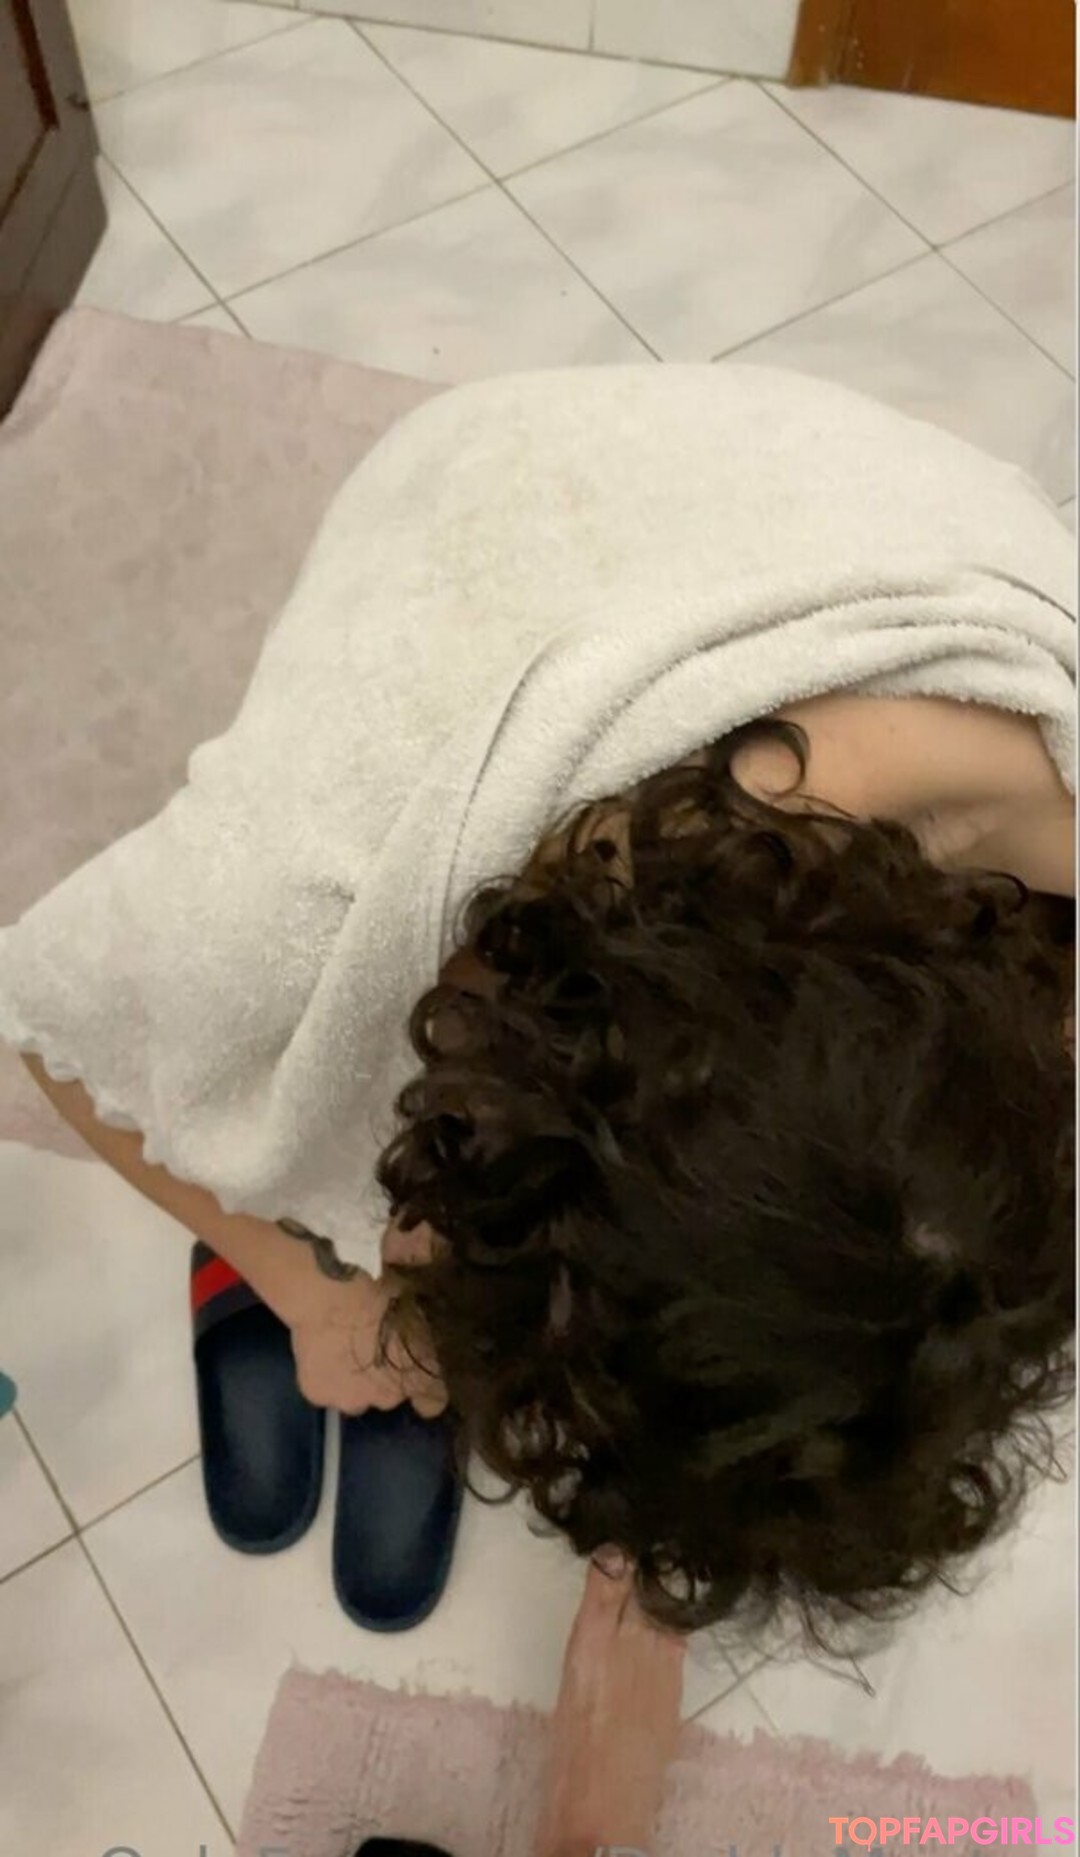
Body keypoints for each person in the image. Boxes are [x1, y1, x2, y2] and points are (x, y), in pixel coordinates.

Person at [9, 366, 1076, 1852]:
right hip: (484, 485)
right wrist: (304, 1285)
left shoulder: (1037, 806)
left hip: (820, 487)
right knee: (236, 1104)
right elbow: (48, 1024)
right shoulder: (294, 893)